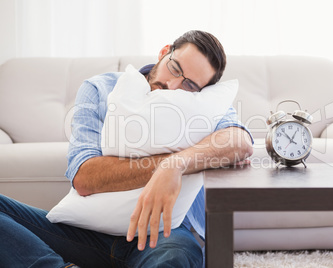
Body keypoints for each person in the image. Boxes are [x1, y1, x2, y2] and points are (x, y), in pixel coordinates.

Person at [0, 30, 253, 267]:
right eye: (175, 69)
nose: (173, 85)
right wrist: (162, 166)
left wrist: (175, 166)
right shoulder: (101, 88)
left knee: (176, 257)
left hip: (163, 233)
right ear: (164, 51)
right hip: (84, 232)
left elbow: (239, 142)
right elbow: (84, 177)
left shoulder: (202, 102)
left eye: (189, 85)